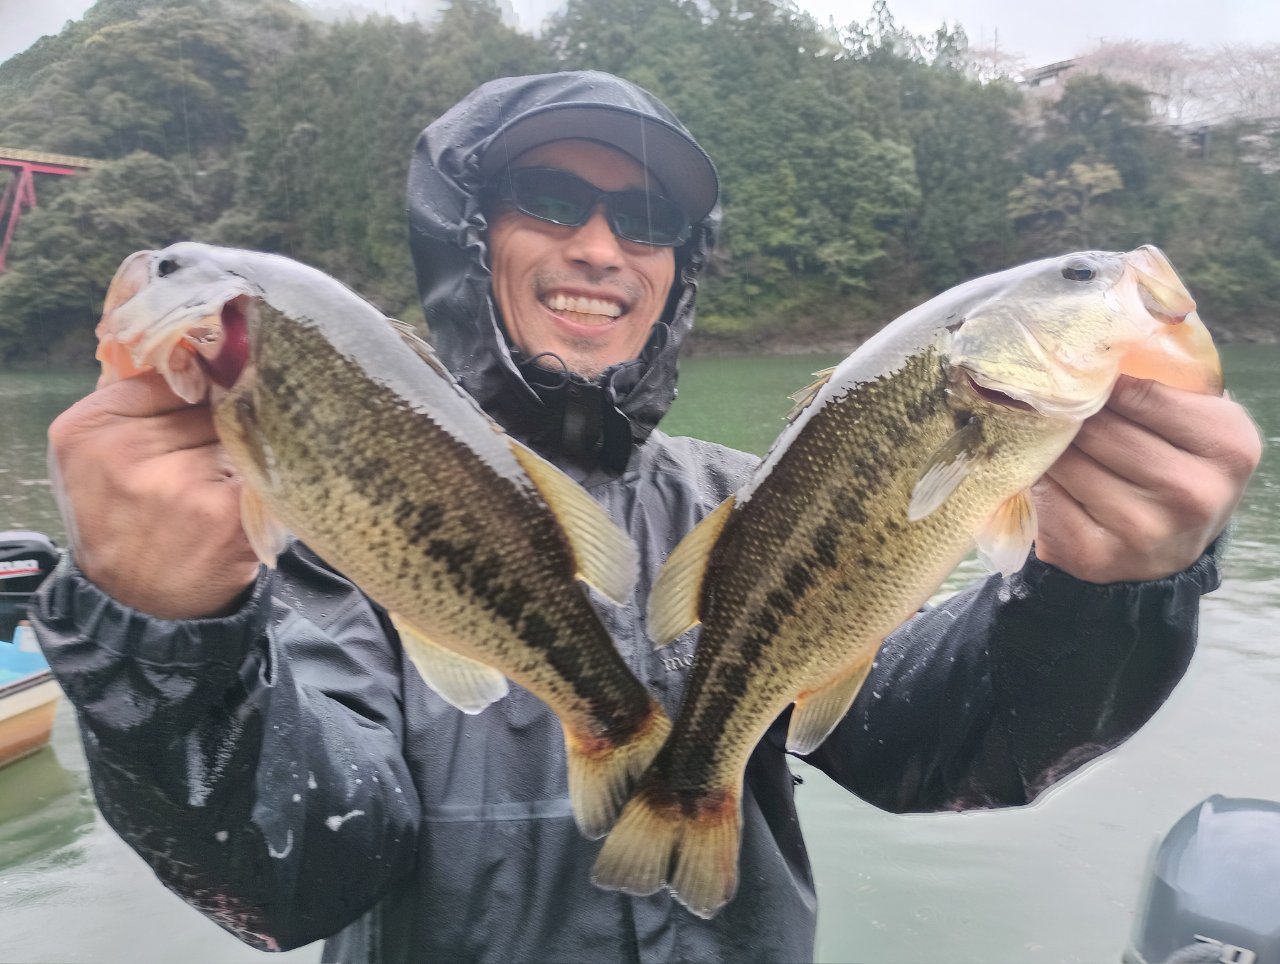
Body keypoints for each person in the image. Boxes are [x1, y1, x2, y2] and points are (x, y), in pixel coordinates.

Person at [33, 71, 1259, 963]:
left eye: (648, 220)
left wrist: (1103, 593)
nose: (600, 247)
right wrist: (166, 633)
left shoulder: (746, 498)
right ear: (466, 235)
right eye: (549, 197)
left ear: (678, 266)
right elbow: (297, 869)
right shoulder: (322, 535)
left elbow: (934, 742)